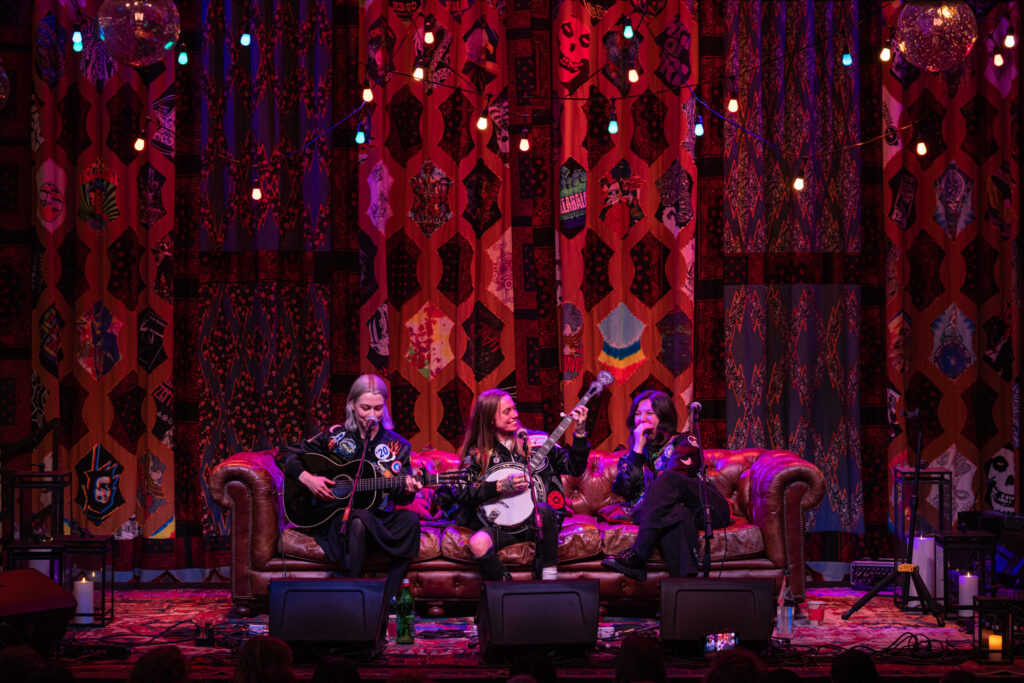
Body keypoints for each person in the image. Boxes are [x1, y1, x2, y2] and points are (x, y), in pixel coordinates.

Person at [279, 374, 422, 601]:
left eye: (378, 408)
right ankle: (351, 595)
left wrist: (407, 490)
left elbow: (400, 497)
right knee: (357, 519)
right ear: (352, 405)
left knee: (411, 523)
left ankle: (386, 598)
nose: (372, 415)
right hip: (338, 518)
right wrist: (308, 479)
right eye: (365, 408)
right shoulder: (336, 437)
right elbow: (285, 455)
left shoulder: (398, 445)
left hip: (378, 519)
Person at [451, 388, 589, 581]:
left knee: (545, 510)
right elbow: (461, 491)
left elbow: (574, 468)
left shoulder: (539, 441)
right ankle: (508, 590)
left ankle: (549, 580)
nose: (515, 414)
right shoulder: (477, 453)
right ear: (490, 418)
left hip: (537, 524)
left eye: (514, 409)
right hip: (501, 525)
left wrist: (580, 433)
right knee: (477, 543)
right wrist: (499, 486)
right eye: (506, 411)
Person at [601, 390, 731, 580]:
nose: (641, 419)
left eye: (649, 413)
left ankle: (638, 553)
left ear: (663, 416)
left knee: (667, 481)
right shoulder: (629, 458)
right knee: (676, 516)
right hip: (672, 514)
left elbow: (673, 482)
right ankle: (683, 594)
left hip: (705, 507)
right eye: (637, 414)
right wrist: (637, 450)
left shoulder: (685, 442)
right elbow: (625, 490)